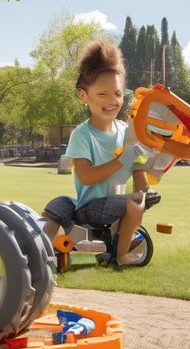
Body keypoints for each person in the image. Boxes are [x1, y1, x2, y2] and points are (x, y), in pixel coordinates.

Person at [42, 40, 151, 266]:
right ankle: (120, 256)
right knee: (132, 203)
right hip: (91, 207)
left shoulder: (126, 130)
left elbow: (138, 167)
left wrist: (145, 191)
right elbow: (86, 176)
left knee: (136, 200)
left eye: (118, 93)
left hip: (116, 202)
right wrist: (121, 161)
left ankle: (116, 247)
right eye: (102, 94)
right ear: (84, 95)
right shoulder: (83, 135)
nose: (112, 101)